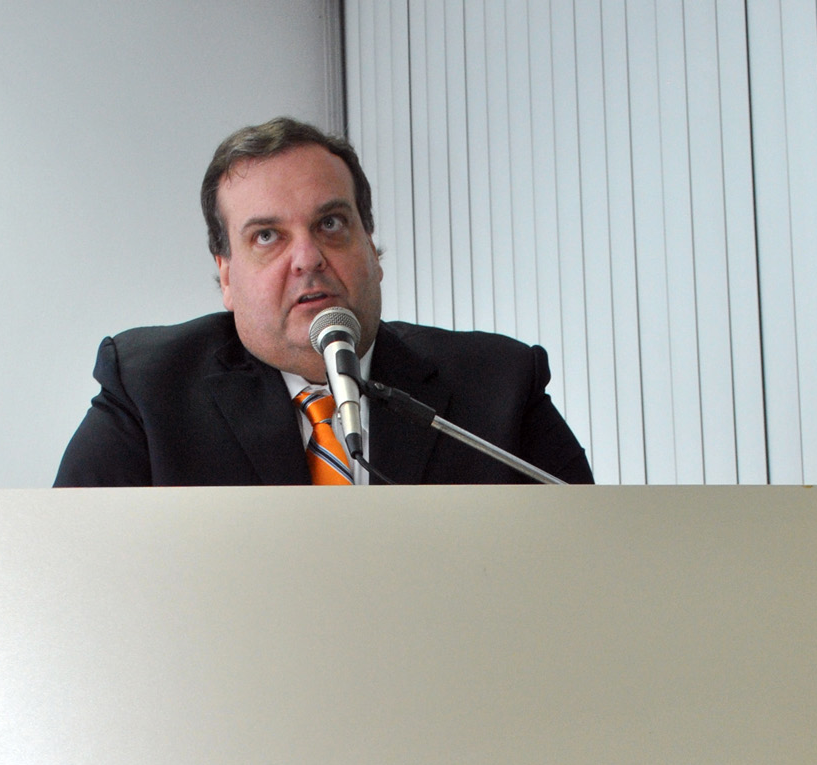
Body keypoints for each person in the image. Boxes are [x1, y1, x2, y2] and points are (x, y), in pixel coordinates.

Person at [55, 117, 593, 488]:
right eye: (267, 236)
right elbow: (67, 574)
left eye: (331, 224)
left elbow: (597, 562)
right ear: (226, 275)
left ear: (372, 249)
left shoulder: (499, 385)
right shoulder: (149, 390)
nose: (308, 258)